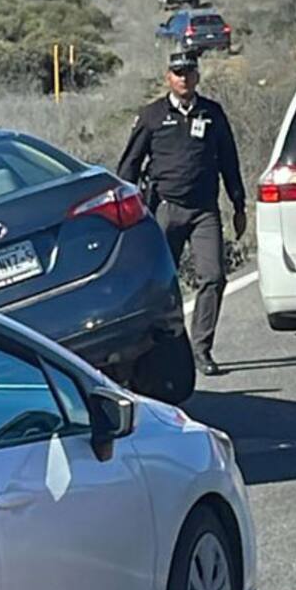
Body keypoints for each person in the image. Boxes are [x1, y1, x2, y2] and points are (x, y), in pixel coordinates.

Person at [117, 53, 246, 378]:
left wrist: (239, 204)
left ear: (197, 76)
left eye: (189, 72)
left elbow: (229, 160)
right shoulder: (152, 115)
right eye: (177, 73)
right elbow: (129, 165)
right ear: (168, 78)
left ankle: (201, 349)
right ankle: (157, 354)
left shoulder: (212, 114)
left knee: (213, 277)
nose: (184, 78)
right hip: (164, 209)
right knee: (160, 283)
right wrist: (122, 208)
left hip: (204, 210)